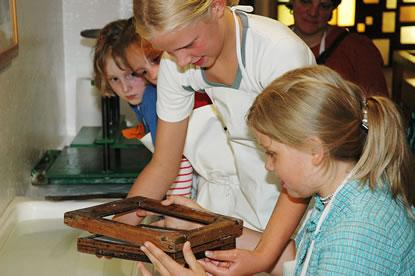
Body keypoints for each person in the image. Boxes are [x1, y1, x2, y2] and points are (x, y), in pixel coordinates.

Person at [137, 65, 415, 276]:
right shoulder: (338, 197)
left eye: (272, 153)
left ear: (315, 150)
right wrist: (206, 225)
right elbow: (302, 259)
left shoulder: (358, 232)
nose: (268, 166)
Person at [129, 0, 315, 270]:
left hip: (297, 191)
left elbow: (302, 171)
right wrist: (117, 228)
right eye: (169, 51)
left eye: (188, 44)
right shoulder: (179, 60)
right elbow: (163, 164)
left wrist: (262, 257)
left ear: (217, 6)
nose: (181, 61)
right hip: (248, 190)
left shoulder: (277, 52)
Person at [93, 18, 195, 198]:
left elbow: (176, 163)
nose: (125, 88)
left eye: (132, 75)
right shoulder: (141, 102)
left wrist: (175, 212)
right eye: (114, 79)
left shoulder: (151, 98)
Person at [288, 0, 389, 97]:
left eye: (324, 6)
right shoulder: (274, 39)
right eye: (306, 1)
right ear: (292, 1)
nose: (313, 13)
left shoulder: (358, 48)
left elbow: (378, 107)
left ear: (332, 9)